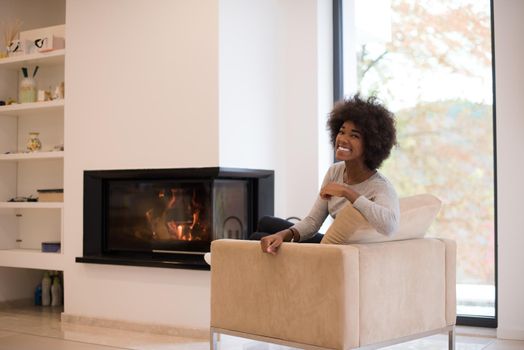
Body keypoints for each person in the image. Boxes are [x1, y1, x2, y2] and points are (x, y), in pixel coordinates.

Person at [257, 94, 400, 255]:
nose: (343, 139)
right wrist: (283, 235)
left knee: (257, 236)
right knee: (265, 224)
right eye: (342, 132)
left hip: (337, 252)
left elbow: (390, 226)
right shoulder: (335, 171)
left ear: (371, 145)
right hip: (328, 242)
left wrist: (347, 192)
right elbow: (312, 222)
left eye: (354, 135)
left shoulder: (380, 187)